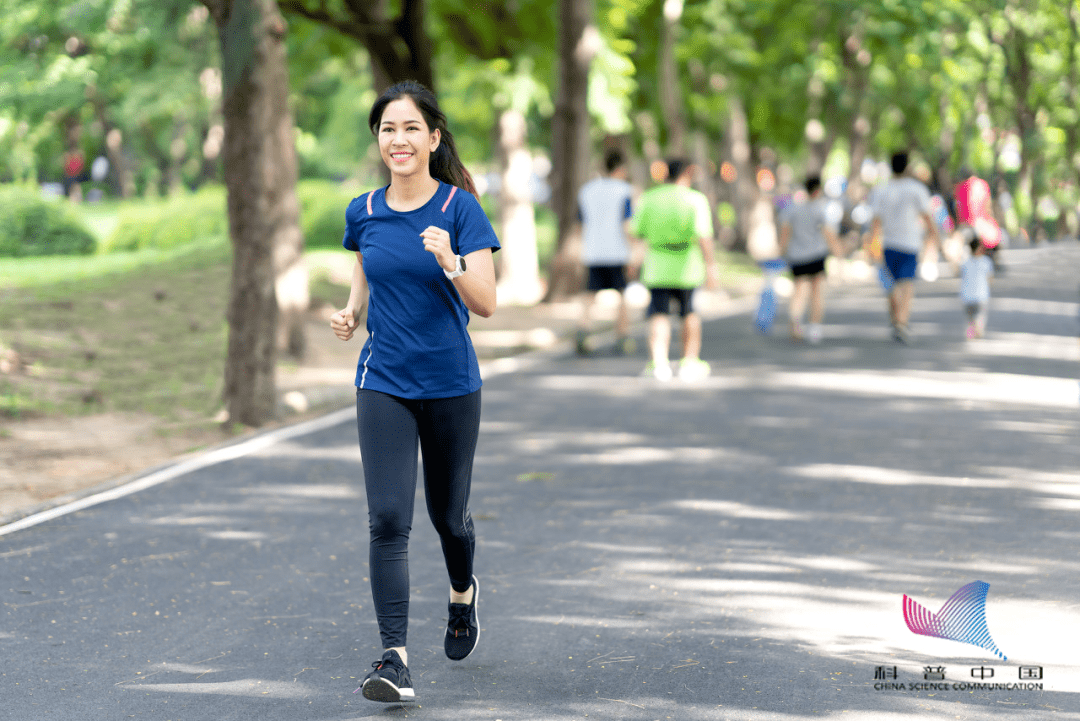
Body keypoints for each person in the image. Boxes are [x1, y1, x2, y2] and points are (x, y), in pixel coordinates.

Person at [330, 80, 500, 704]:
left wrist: (452, 263)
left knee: (448, 518)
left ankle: (462, 593)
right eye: (387, 129)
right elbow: (365, 260)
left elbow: (487, 303)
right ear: (378, 140)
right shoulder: (363, 210)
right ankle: (394, 658)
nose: (397, 140)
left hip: (451, 382)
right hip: (384, 380)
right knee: (388, 519)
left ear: (433, 139)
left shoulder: (460, 209)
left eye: (409, 129)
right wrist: (353, 311)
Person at [632, 159, 720, 381]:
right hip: (687, 266)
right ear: (686, 174)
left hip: (657, 265)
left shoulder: (649, 198)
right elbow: (704, 237)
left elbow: (637, 233)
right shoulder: (695, 200)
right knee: (689, 313)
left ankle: (659, 363)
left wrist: (634, 262)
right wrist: (711, 267)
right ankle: (689, 361)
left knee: (658, 314)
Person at [868, 152, 940, 343]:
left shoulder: (881, 190)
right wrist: (935, 237)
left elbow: (875, 222)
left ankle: (896, 320)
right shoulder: (917, 189)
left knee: (892, 285)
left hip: (889, 244)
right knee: (906, 284)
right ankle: (902, 322)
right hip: (910, 244)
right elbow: (927, 216)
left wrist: (871, 246)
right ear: (907, 166)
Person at [576, 149, 636, 356]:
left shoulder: (587, 190)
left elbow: (580, 223)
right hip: (617, 251)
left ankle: (583, 330)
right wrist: (634, 250)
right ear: (620, 168)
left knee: (590, 294)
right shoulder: (625, 191)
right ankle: (623, 335)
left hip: (593, 250)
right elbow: (627, 224)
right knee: (621, 295)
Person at [777, 176, 841, 344]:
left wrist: (780, 253)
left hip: (797, 256)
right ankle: (814, 327)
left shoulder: (791, 210)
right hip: (816, 256)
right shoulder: (820, 210)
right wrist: (838, 252)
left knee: (798, 291)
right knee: (816, 292)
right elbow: (828, 234)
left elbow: (785, 235)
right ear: (818, 190)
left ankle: (795, 324)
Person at [959, 237, 994, 339]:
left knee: (970, 318)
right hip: (981, 295)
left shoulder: (965, 262)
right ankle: (977, 331)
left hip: (966, 295)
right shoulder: (986, 262)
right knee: (980, 316)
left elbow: (961, 274)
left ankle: (971, 331)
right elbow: (990, 278)